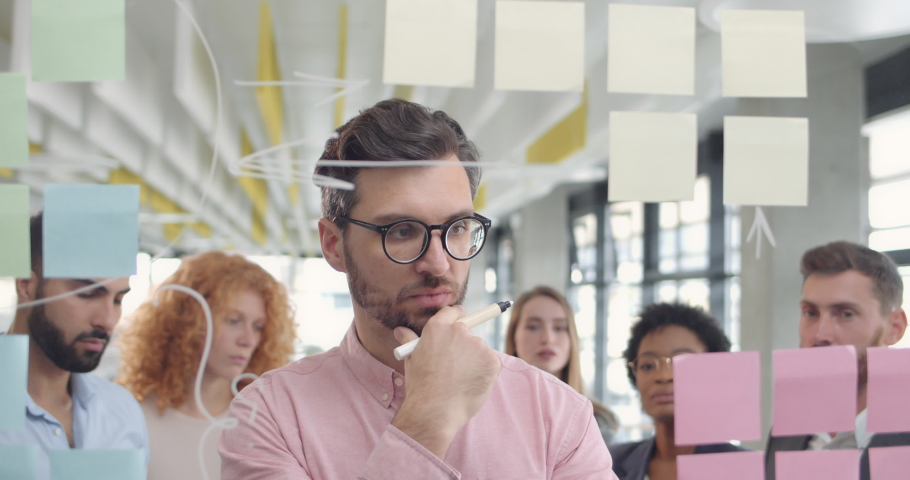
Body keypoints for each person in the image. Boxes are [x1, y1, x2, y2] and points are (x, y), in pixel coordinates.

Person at [219, 99, 618, 479]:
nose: (439, 264)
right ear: (333, 245)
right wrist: (427, 420)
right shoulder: (269, 415)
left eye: (458, 228)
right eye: (403, 231)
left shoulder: (556, 414)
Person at [117, 251, 295, 480]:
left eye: (258, 326)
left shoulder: (264, 424)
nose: (248, 340)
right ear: (189, 322)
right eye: (233, 321)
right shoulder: (132, 418)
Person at [0, 213, 148, 480]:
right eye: (87, 293)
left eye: (118, 299)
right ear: (26, 286)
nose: (107, 320)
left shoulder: (121, 412)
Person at [765, 241, 908, 480]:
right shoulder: (786, 433)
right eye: (810, 313)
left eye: (846, 314)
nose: (820, 334)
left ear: (895, 327)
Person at [609, 303, 746, 480]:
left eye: (682, 362)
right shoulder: (607, 462)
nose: (663, 376)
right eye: (648, 365)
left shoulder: (750, 469)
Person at [506, 285, 621, 444]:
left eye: (560, 328)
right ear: (513, 337)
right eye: (533, 327)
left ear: (572, 339)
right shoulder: (489, 411)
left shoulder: (600, 422)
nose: (548, 338)